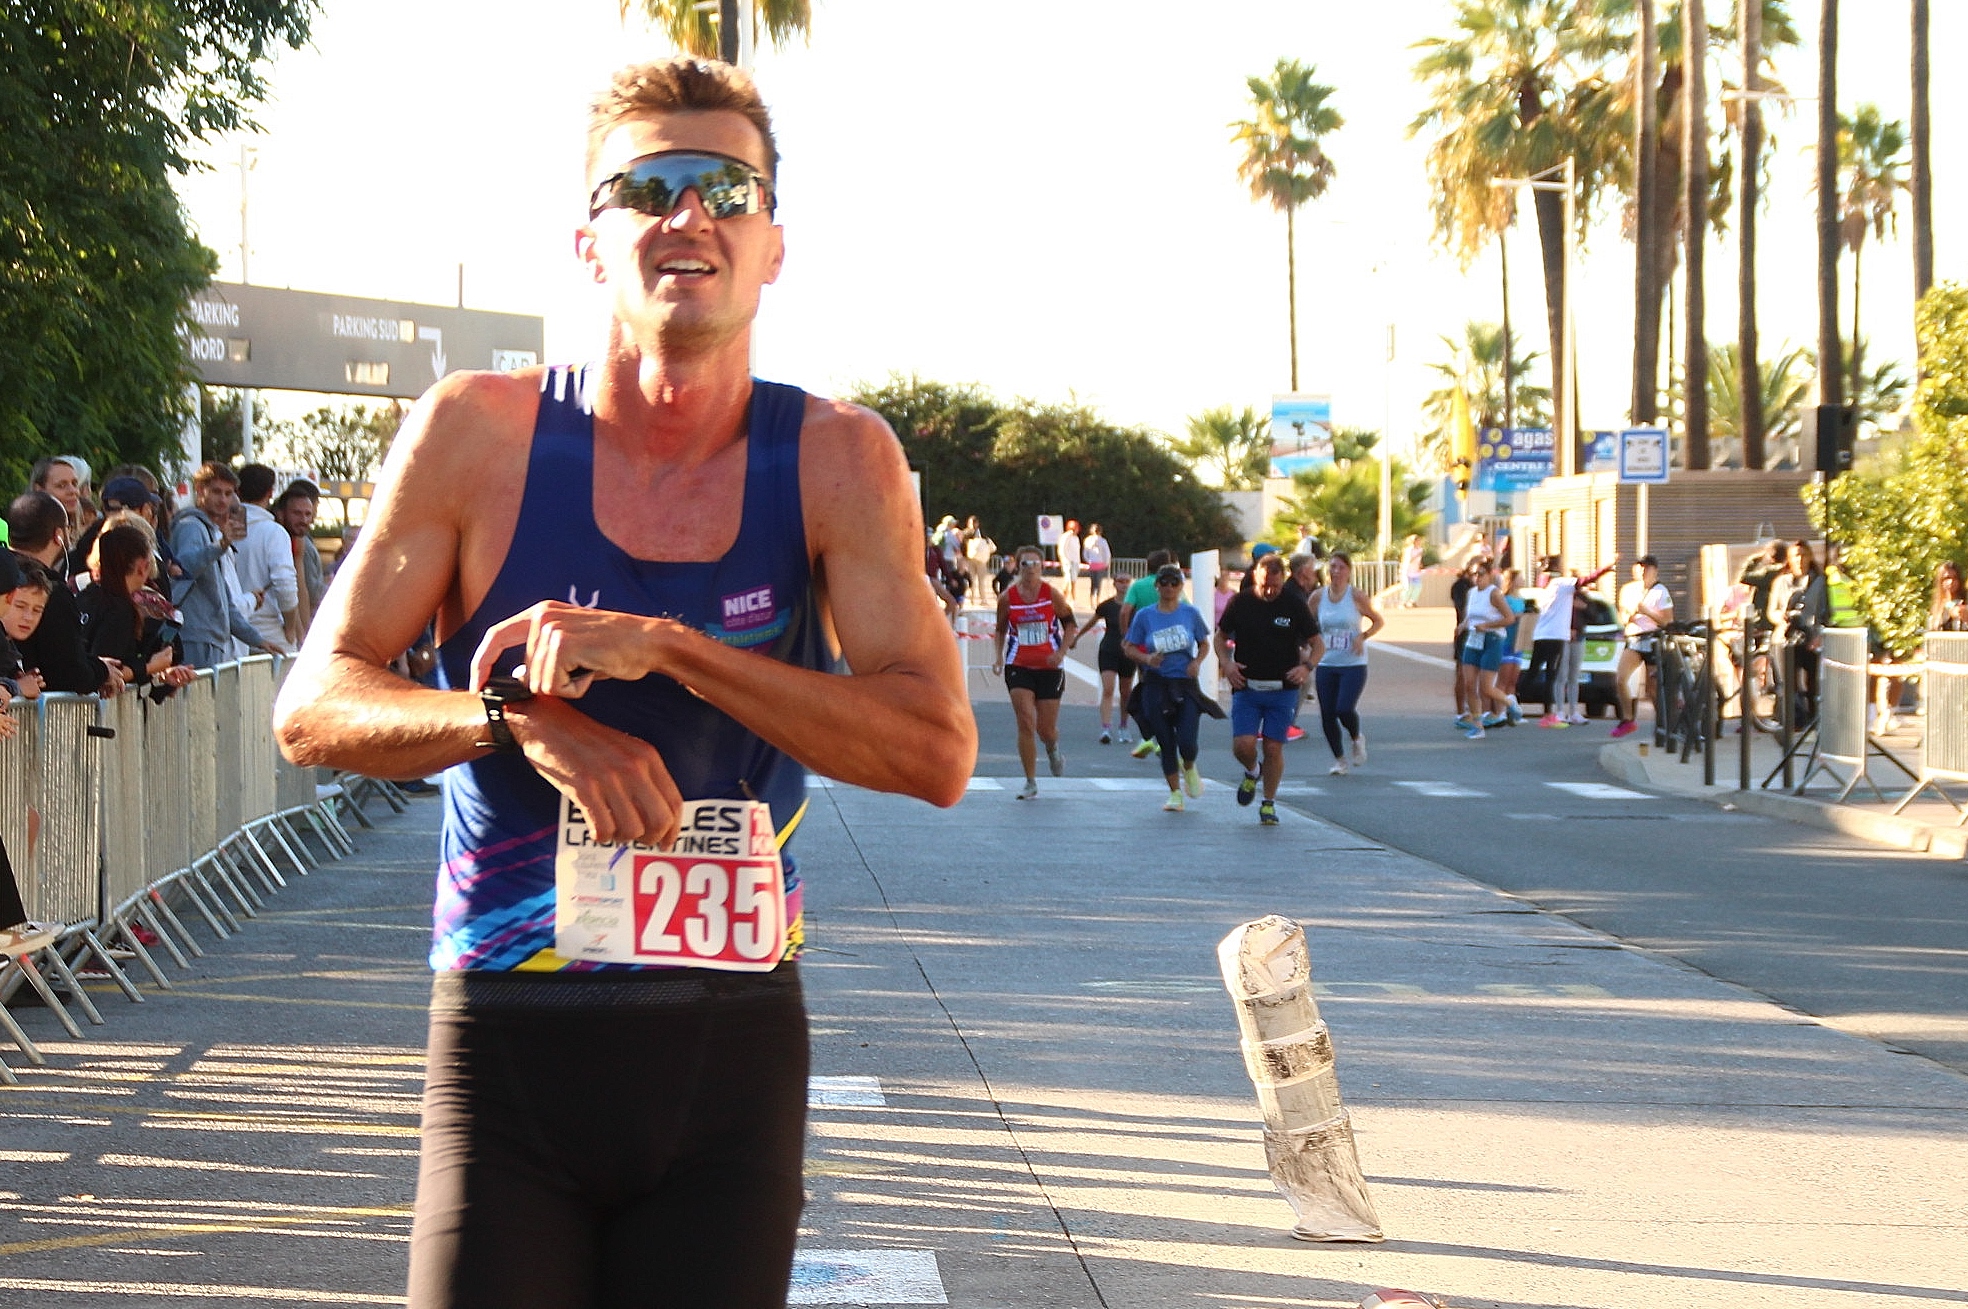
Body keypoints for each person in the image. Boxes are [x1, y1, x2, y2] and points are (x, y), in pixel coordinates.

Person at [271, 58, 973, 1309]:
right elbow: (313, 704)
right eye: (647, 187)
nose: (687, 214)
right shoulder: (477, 433)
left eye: (725, 189)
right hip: (509, 1043)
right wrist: (515, 723)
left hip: (727, 1057)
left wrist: (676, 648)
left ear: (773, 245)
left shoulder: (837, 458)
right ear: (590, 241)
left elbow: (935, 750)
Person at [1215, 552, 1317, 824]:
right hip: (1247, 687)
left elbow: (1318, 643)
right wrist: (1227, 664)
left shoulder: (1294, 604)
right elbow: (1220, 637)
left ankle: (1268, 804)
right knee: (1243, 745)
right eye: (1264, 585)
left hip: (1283, 689)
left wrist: (1306, 667)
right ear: (1255, 577)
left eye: (1275, 585)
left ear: (1283, 579)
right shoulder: (1241, 602)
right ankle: (1252, 770)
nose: (1269, 590)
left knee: (1273, 747)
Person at [5, 492, 122, 697]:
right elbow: (69, 670)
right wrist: (101, 671)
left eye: (36, 609)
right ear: (59, 535)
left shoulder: (8, 574)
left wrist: (94, 665)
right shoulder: (54, 591)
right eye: (20, 605)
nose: (28, 616)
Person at [1125, 563, 1211, 810]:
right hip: (1156, 683)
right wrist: (1146, 659)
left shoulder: (1190, 613)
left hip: (1185, 683)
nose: (1169, 587)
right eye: (1164, 582)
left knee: (1187, 741)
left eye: (1174, 583)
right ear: (1157, 586)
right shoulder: (1145, 616)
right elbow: (1129, 646)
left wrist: (1196, 662)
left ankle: (1190, 765)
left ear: (1181, 586)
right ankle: (1175, 793)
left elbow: (1204, 643)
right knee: (1165, 740)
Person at [993, 544, 1076, 799]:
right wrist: (998, 657)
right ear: (1018, 567)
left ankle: (1052, 748)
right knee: (1026, 721)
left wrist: (1061, 652)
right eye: (1025, 564)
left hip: (1049, 666)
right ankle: (1030, 781)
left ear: (1042, 567)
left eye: (1035, 564)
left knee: (1045, 729)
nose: (1030, 568)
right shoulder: (1008, 597)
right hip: (1018, 665)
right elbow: (1000, 629)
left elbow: (1070, 624)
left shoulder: (1051, 594)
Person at [170, 463, 272, 669]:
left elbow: (225, 601)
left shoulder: (209, 531)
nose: (223, 500)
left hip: (208, 638)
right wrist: (221, 545)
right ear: (200, 490)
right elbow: (184, 567)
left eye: (228, 493)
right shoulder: (192, 526)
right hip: (194, 636)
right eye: (216, 492)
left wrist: (258, 640)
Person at [78, 523, 195, 695]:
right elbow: (107, 673)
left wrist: (159, 676)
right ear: (143, 566)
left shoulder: (85, 597)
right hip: (92, 706)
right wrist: (151, 666)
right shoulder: (118, 610)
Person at [1310, 552, 1384, 773]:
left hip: (1353, 662)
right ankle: (1340, 760)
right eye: (1332, 567)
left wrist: (1363, 636)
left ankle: (1356, 737)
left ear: (1349, 571)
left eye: (1341, 567)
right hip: (1326, 662)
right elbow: (1305, 622)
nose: (1336, 572)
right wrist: (1308, 644)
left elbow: (1378, 621)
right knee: (1327, 713)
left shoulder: (1356, 596)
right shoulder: (1318, 597)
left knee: (1344, 708)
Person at [234, 464, 300, 654]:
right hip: (268, 631)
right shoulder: (274, 533)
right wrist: (290, 628)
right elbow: (285, 583)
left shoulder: (222, 531)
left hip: (231, 633)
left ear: (238, 491)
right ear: (270, 492)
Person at [1612, 555, 1673, 739]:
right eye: (1641, 568)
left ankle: (1664, 723)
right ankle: (1628, 718)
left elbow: (1668, 621)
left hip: (1652, 638)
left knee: (1652, 688)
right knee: (1621, 678)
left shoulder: (1660, 591)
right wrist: (1628, 617)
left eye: (1647, 568)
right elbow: (1622, 616)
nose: (1643, 572)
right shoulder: (1629, 590)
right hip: (1634, 638)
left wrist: (1646, 611)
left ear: (1654, 570)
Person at [1771, 540, 1830, 725]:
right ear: (1789, 559)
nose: (1799, 559)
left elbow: (1826, 612)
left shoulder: (1820, 582)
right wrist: (1781, 618)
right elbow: (1771, 611)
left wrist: (1819, 635)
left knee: (1813, 682)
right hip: (1786, 636)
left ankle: (1814, 719)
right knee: (1788, 682)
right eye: (1795, 556)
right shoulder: (1781, 582)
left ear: (1810, 556)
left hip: (1811, 636)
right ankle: (1792, 719)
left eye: (1803, 555)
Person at [1071, 581, 1134, 745]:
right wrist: (1077, 637)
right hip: (1108, 650)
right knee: (1108, 688)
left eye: (1127, 581)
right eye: (1120, 581)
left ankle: (1123, 726)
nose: (1124, 585)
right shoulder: (1107, 605)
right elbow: (1091, 622)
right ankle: (1106, 728)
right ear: (1114, 584)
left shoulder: (1135, 606)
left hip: (1128, 652)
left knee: (1126, 692)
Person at [1457, 558, 1513, 739]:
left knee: (1486, 687)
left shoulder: (1494, 594)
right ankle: (1477, 725)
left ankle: (1509, 702)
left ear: (1489, 575)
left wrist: (1488, 626)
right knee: (1469, 684)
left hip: (1492, 639)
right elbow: (1471, 614)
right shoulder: (1472, 593)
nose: (1476, 578)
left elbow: (1509, 618)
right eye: (1473, 574)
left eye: (1480, 574)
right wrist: (1463, 625)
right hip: (1474, 638)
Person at [276, 479, 326, 646]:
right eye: (297, 513)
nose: (303, 520)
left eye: (307, 514)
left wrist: (303, 634)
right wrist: (296, 630)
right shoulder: (277, 538)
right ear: (281, 514)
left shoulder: (299, 541)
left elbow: (301, 588)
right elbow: (289, 590)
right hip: (276, 633)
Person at [1081, 523, 1112, 602]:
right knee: (1098, 583)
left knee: (1093, 583)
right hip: (1100, 564)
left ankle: (1091, 600)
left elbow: (1085, 553)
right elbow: (1107, 553)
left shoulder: (1088, 540)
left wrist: (1088, 560)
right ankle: (1097, 600)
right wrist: (1106, 563)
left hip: (1092, 564)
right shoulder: (1103, 541)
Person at [1057, 518, 1081, 602]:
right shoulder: (1066, 536)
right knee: (1070, 581)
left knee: (1071, 581)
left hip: (1075, 562)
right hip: (1068, 562)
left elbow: (1077, 551)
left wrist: (1078, 562)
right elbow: (1061, 549)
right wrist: (1064, 560)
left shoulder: (1076, 538)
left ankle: (1063, 599)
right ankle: (1072, 600)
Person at [1400, 534, 1426, 608]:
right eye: (1417, 541)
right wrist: (1417, 555)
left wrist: (1420, 565)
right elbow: (1409, 560)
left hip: (1415, 572)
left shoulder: (1420, 549)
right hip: (1407, 571)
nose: (1418, 542)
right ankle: (1403, 602)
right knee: (1407, 587)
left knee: (1418, 586)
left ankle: (1412, 601)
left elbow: (1418, 560)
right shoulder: (1409, 550)